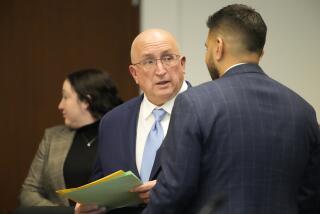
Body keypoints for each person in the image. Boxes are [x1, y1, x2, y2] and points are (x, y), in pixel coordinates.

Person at [142, 4, 320, 214]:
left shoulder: (194, 103)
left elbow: (174, 190)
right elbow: (311, 195)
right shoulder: (303, 111)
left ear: (219, 46)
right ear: (260, 52)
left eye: (206, 47)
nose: (207, 54)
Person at [75, 28, 190, 214]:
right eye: (149, 62)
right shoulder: (113, 121)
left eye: (168, 58)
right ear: (134, 73)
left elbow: (227, 181)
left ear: (182, 64)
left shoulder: (210, 111)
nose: (160, 70)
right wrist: (91, 206)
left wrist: (173, 191)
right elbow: (100, 182)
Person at [19, 68, 122, 207]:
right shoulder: (52, 137)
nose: (60, 105)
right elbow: (28, 192)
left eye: (65, 97)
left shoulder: (121, 134)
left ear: (86, 101)